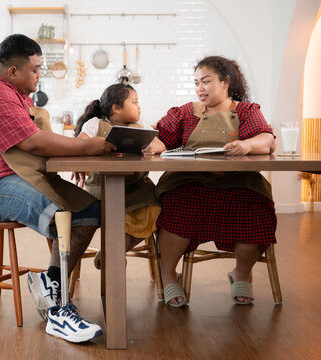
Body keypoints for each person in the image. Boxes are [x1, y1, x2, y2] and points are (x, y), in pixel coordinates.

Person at [0, 34, 114, 342]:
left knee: (89, 210)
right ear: (14, 71)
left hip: (14, 175)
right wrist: (84, 149)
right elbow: (33, 142)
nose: (40, 75)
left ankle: (50, 287)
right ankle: (59, 310)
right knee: (61, 215)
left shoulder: (14, 94)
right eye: (36, 69)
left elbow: (32, 143)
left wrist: (78, 155)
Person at [151, 56, 277, 307]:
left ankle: (240, 273)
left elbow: (267, 140)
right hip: (187, 181)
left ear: (225, 82)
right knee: (178, 206)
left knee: (256, 209)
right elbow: (160, 138)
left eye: (206, 81)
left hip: (238, 181)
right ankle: (168, 275)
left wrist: (247, 144)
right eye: (196, 82)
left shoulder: (246, 111)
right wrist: (152, 147)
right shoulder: (185, 112)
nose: (200, 88)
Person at [74, 83, 163, 266]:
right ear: (116, 108)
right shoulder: (95, 124)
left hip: (137, 190)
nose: (139, 107)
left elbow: (161, 145)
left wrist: (154, 148)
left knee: (156, 207)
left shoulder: (141, 125)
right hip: (102, 192)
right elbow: (78, 145)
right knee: (113, 216)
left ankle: (113, 251)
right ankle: (113, 251)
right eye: (135, 102)